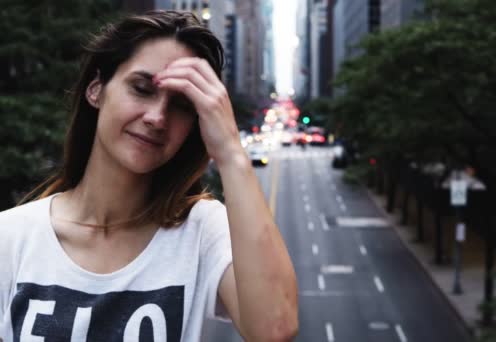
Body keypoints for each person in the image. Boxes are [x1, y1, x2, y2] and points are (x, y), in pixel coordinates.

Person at [0, 11, 298, 341]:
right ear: (96, 89)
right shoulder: (12, 238)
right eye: (142, 89)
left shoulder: (202, 233)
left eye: (183, 106)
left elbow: (275, 328)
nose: (157, 118)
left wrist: (229, 151)